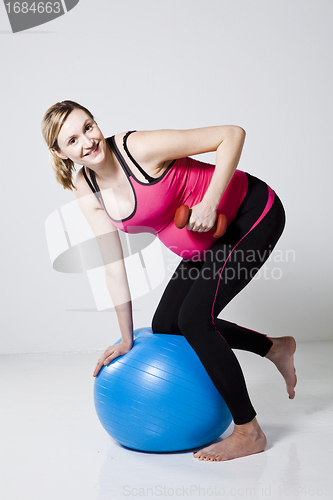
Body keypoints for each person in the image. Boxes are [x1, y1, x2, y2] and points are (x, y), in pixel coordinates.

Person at [41, 100, 297, 462]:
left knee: (194, 319)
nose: (87, 141)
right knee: (167, 326)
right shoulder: (87, 186)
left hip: (251, 214)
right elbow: (113, 265)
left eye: (88, 126)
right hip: (205, 245)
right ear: (59, 151)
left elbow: (231, 135)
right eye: (72, 140)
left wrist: (209, 203)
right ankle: (275, 347)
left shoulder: (137, 148)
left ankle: (249, 431)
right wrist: (126, 337)